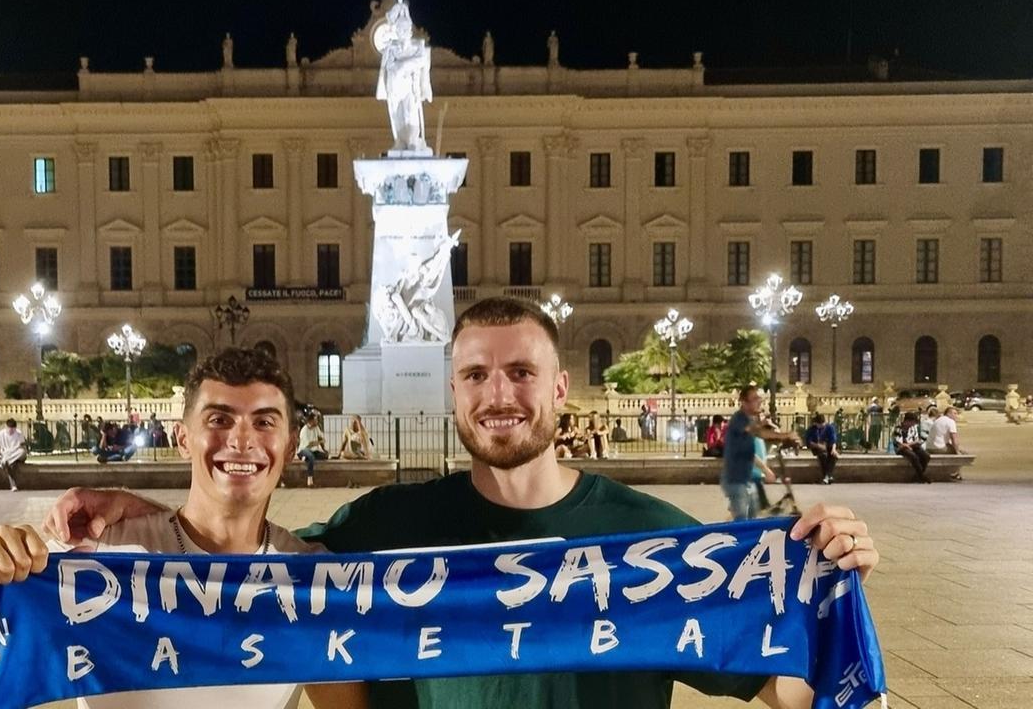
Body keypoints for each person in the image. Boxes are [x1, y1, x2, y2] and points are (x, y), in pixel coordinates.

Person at [45, 297, 880, 709]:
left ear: (559, 387)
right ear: (454, 393)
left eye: (520, 372)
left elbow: (786, 690)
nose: (499, 393)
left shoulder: (650, 538)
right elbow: (255, 558)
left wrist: (827, 585)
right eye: (476, 375)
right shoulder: (385, 526)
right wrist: (135, 502)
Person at [0, 348, 367, 709]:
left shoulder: (311, 582)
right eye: (218, 419)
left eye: (264, 421)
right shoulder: (94, 554)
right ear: (181, 437)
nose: (241, 440)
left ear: (292, 442)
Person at [722, 388, 799, 520]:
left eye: (759, 399)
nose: (759, 402)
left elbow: (768, 436)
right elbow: (752, 444)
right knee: (743, 521)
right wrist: (766, 469)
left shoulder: (752, 423)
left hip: (750, 479)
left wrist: (785, 438)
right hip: (737, 479)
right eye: (755, 399)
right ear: (744, 403)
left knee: (753, 517)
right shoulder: (739, 419)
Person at [926, 405, 964, 479]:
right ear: (949, 414)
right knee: (962, 453)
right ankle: (955, 472)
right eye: (955, 413)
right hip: (939, 448)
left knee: (954, 450)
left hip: (929, 447)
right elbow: (954, 439)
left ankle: (955, 472)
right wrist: (957, 451)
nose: (956, 416)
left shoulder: (939, 420)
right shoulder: (950, 422)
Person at [892, 412, 931, 484]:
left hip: (912, 446)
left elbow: (917, 440)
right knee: (913, 456)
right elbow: (899, 443)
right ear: (907, 421)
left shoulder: (914, 428)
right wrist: (908, 445)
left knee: (926, 456)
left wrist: (909, 444)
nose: (913, 425)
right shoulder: (898, 428)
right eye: (912, 422)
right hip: (900, 448)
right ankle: (922, 476)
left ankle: (918, 476)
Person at [0, 419, 27, 492]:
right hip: (6, 454)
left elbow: (23, 447)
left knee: (22, 452)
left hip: (15, 454)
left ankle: (4, 461)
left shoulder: (19, 433)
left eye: (13, 430)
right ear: (6, 427)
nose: (11, 432)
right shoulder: (1, 434)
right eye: (9, 430)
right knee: (10, 464)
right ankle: (13, 485)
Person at [804, 413, 840, 485]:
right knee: (823, 456)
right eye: (819, 424)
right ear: (816, 423)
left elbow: (833, 440)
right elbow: (808, 442)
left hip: (827, 447)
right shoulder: (812, 429)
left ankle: (826, 476)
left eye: (823, 424)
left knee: (833, 456)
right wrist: (818, 445)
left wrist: (833, 450)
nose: (821, 426)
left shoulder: (829, 427)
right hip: (816, 448)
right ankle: (828, 476)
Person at [296, 413, 327, 487]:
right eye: (316, 419)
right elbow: (309, 444)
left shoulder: (316, 428)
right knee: (311, 456)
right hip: (303, 450)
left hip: (313, 450)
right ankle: (310, 480)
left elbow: (322, 438)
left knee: (325, 456)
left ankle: (306, 458)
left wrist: (323, 449)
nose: (317, 421)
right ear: (311, 420)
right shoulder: (304, 430)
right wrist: (319, 442)